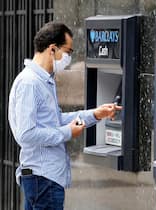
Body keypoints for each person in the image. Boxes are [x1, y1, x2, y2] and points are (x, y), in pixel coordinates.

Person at [8, 22, 122, 210]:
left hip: (44, 179)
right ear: (52, 49)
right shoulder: (30, 83)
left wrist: (95, 114)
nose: (69, 57)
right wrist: (67, 133)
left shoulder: (44, 80)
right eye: (68, 51)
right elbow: (26, 134)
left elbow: (56, 121)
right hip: (42, 179)